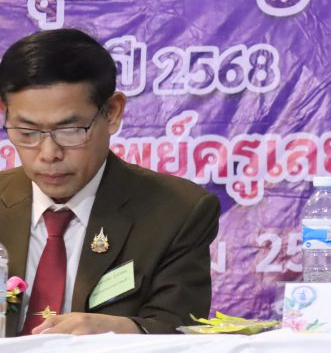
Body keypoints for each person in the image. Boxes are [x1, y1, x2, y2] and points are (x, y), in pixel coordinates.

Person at [0, 28, 220, 336]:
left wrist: (125, 331)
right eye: (27, 133)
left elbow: (180, 329)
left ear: (113, 113)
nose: (48, 154)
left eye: (71, 130)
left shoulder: (177, 211)